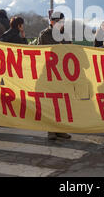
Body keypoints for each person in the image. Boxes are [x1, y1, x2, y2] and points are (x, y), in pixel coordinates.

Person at [37, 12, 72, 141]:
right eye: (57, 21)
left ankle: (61, 129)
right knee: (51, 103)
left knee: (63, 103)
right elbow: (43, 51)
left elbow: (71, 51)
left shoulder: (66, 34)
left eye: (62, 21)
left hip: (63, 73)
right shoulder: (45, 34)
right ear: (51, 22)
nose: (60, 24)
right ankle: (51, 129)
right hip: (49, 73)